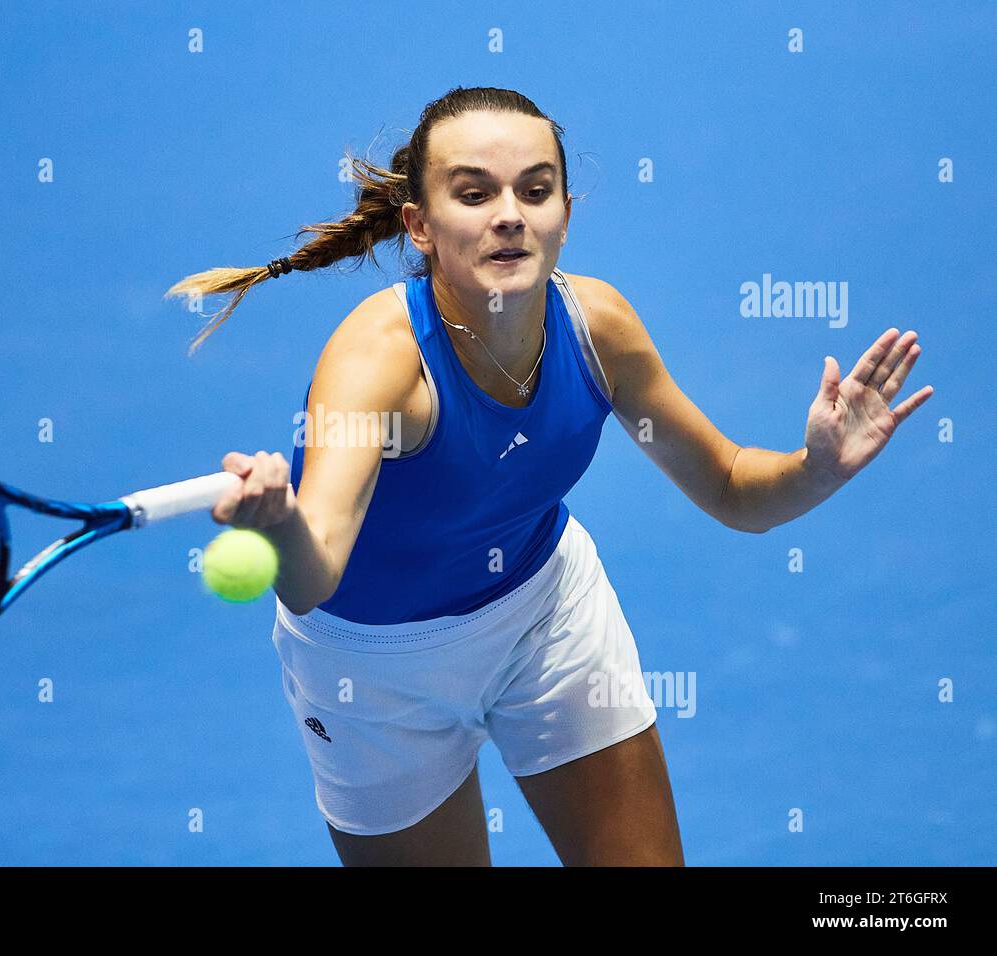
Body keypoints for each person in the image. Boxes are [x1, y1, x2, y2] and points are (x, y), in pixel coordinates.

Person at [165, 86, 933, 866]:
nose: (510, 214)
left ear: (566, 210)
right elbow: (314, 572)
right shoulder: (376, 364)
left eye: (535, 190)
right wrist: (280, 526)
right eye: (474, 193)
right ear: (420, 226)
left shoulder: (598, 327)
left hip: (543, 614)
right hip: (372, 670)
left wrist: (819, 468)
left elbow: (732, 486)